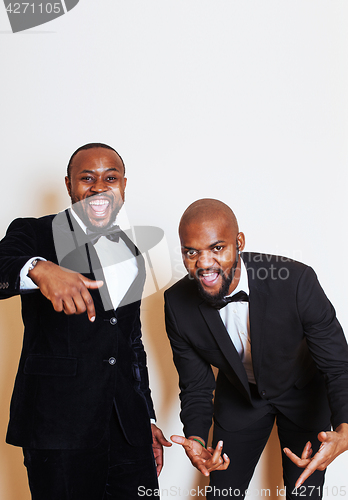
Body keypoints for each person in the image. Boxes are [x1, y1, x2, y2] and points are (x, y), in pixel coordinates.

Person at [0, 143, 171, 500]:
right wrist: (38, 267)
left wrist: (147, 419)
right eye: (86, 178)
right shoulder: (34, 233)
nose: (98, 187)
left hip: (127, 429)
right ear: (69, 185)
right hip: (58, 427)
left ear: (123, 185)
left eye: (110, 178)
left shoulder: (134, 252)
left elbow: (131, 342)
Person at [165, 198, 348, 499]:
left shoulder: (296, 281)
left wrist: (344, 430)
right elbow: (196, 384)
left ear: (239, 243)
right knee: (222, 494)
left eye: (217, 248)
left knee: (305, 493)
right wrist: (196, 438)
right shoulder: (177, 303)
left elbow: (338, 365)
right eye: (191, 252)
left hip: (304, 396)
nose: (205, 263)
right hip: (240, 398)